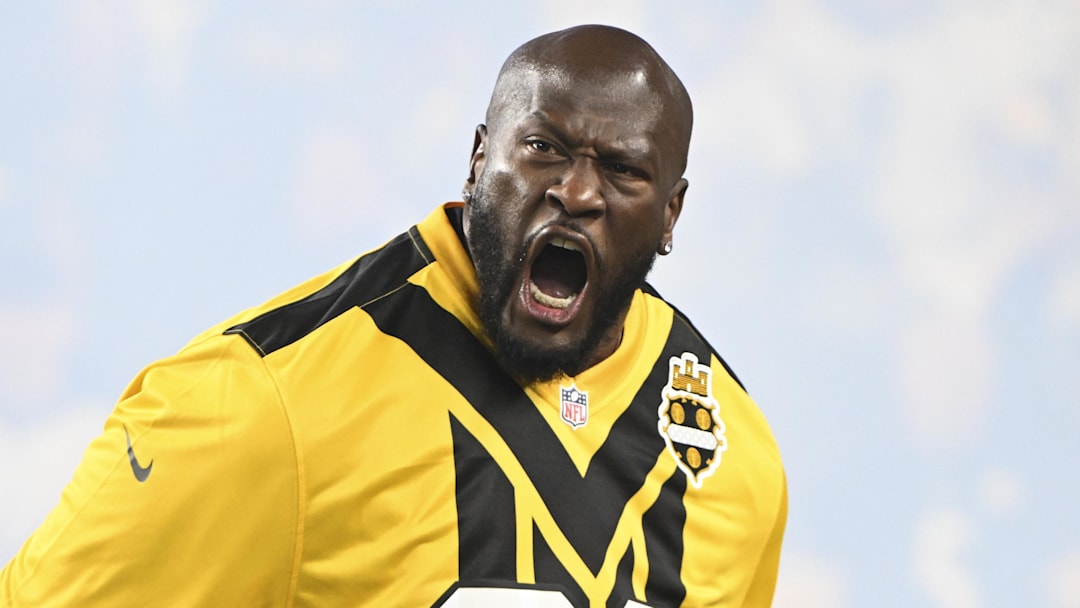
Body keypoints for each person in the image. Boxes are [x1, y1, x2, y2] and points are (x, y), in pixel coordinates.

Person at [1, 24, 786, 607]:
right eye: (543, 148)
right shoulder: (258, 404)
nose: (577, 193)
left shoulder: (735, 459)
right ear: (480, 160)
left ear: (672, 213)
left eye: (621, 170)